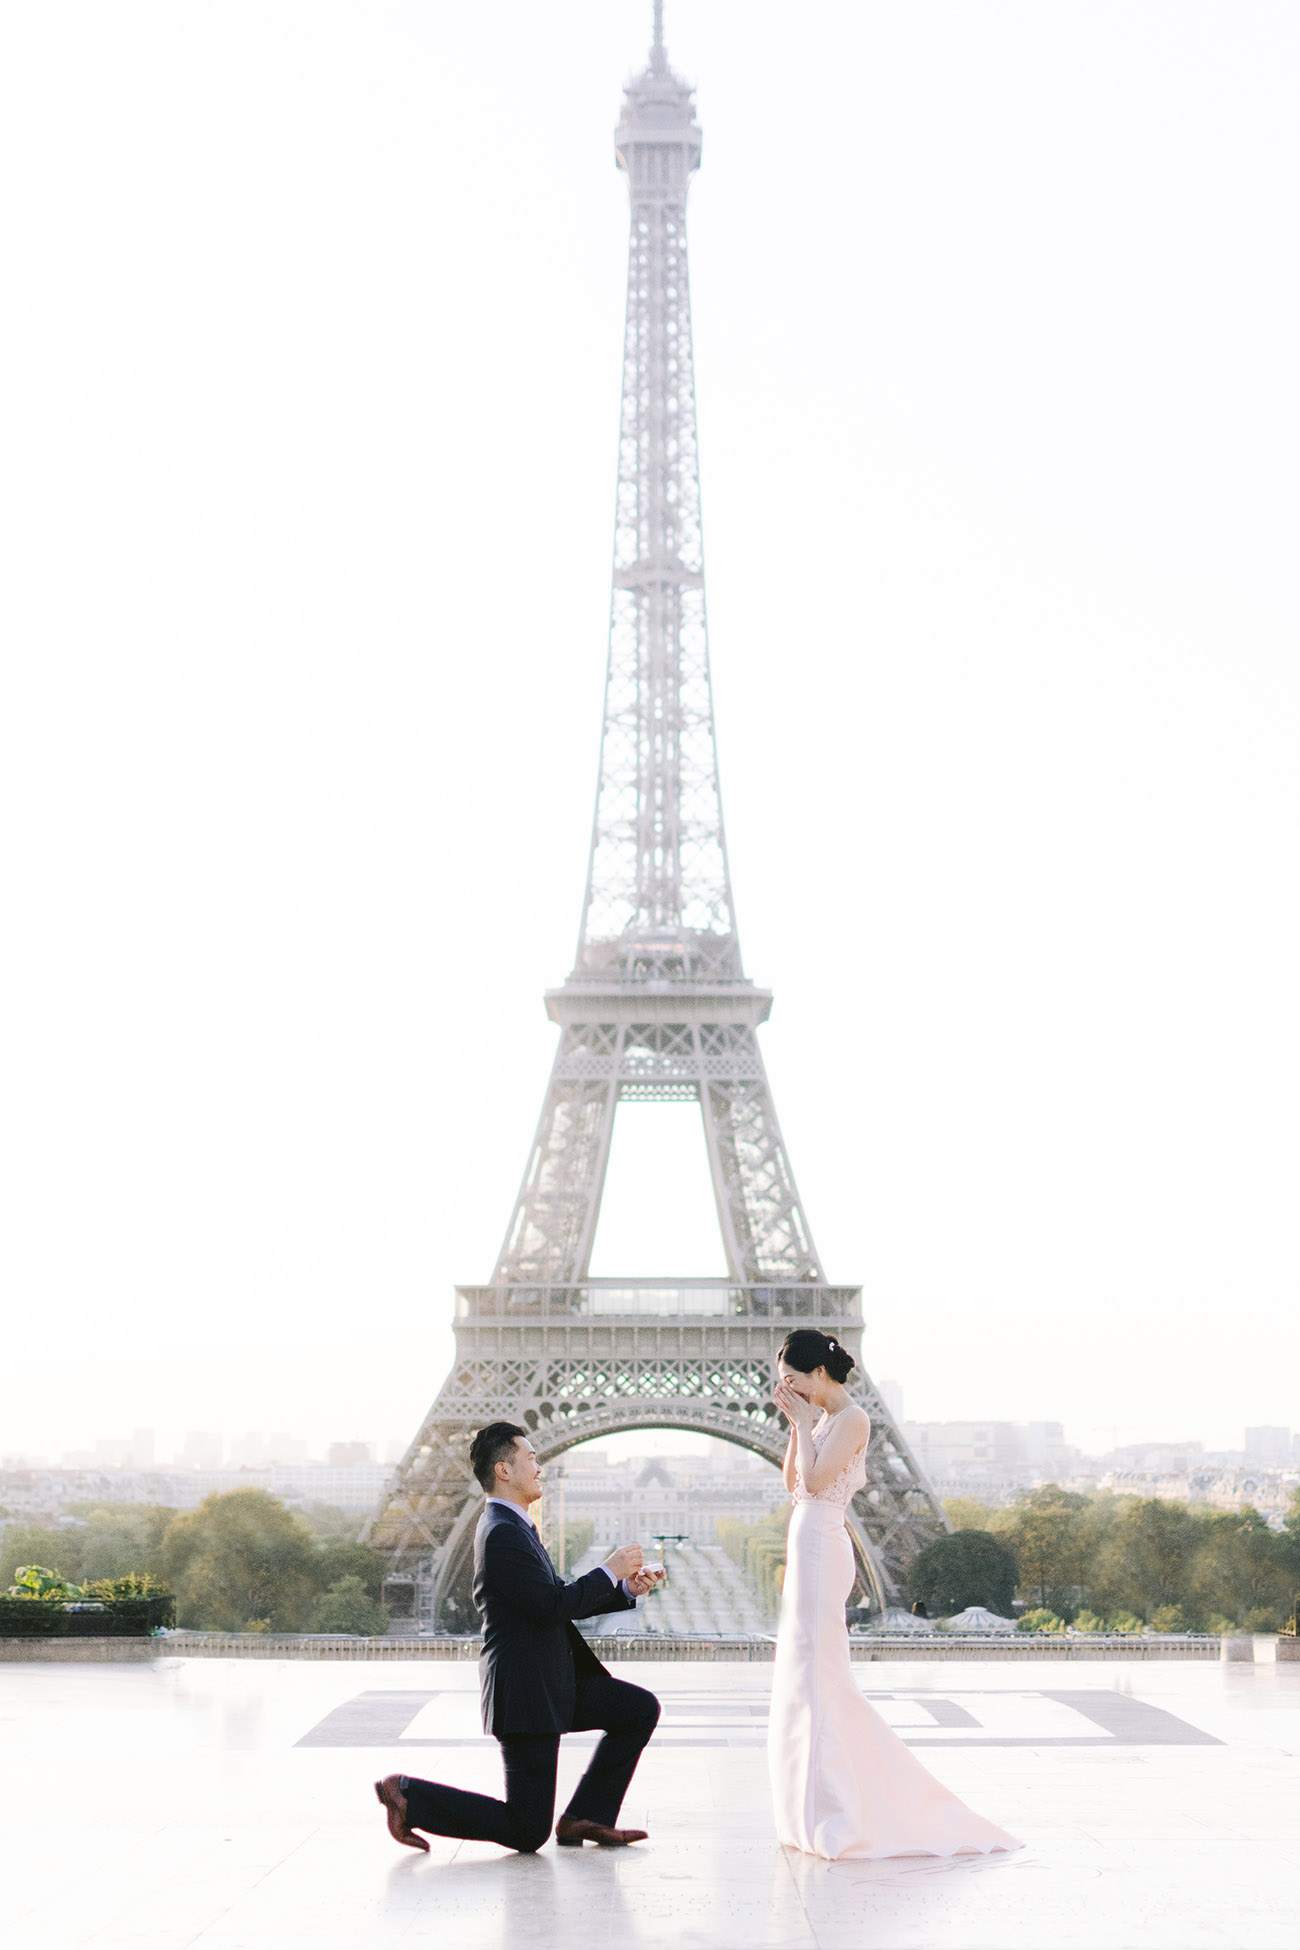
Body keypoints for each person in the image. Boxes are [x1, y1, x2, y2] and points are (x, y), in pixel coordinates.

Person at [768, 1330, 1020, 1860]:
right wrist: (800, 1429)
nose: (787, 1389)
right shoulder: (821, 1420)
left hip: (823, 1543)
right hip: (806, 1540)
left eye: (793, 1380)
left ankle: (838, 1807)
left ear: (819, 1374)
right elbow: (793, 1479)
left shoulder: (853, 1418)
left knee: (819, 1670)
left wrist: (801, 1423)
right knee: (803, 1669)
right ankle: (811, 1807)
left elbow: (815, 1485)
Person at [374, 1421, 662, 1854]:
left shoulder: (512, 1525)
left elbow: (556, 1599)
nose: (540, 1467)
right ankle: (408, 1795)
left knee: (638, 1709)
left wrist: (624, 1589)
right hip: (528, 1691)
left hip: (550, 1680)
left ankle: (588, 1816)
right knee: (527, 1830)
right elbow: (551, 1606)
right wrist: (608, 1569)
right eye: (531, 1458)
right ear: (505, 1470)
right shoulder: (503, 1531)